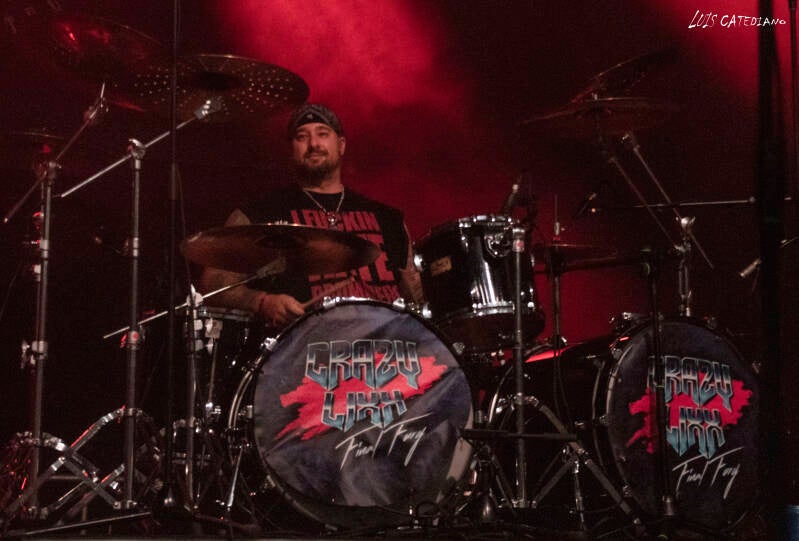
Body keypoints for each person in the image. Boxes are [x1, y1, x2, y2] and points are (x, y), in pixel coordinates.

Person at [199, 103, 423, 327]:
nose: (314, 144)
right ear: (291, 149)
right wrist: (262, 301)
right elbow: (213, 286)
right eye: (302, 137)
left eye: (323, 134)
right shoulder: (261, 214)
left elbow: (416, 297)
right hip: (309, 342)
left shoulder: (388, 218)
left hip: (388, 340)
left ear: (341, 145)